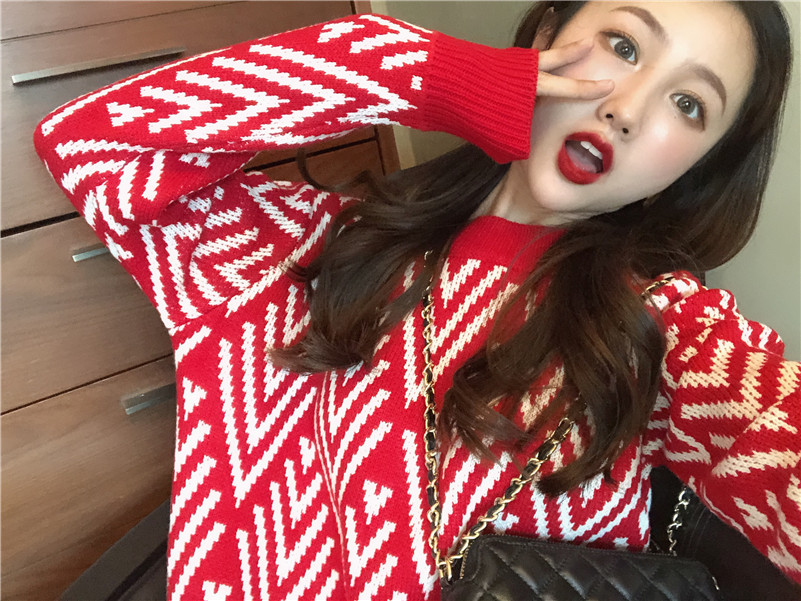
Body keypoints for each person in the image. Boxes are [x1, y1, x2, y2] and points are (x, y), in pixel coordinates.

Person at [33, 1, 799, 599]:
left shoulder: (666, 334)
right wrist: (430, 77)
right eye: (623, 45)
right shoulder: (291, 249)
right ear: (544, 38)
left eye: (687, 105)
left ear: (693, 169)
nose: (627, 107)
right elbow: (94, 147)